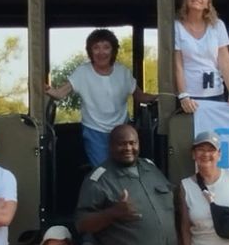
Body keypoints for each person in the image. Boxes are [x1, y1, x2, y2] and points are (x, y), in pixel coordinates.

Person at [45, 28, 157, 167]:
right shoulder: (82, 72)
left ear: (113, 50)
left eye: (106, 47)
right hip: (94, 131)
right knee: (103, 171)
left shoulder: (123, 72)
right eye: (96, 47)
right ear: (90, 51)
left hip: (121, 130)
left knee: (125, 168)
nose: (101, 52)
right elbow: (59, 94)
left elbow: (140, 96)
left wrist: (160, 97)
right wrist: (45, 89)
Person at [173, 0, 229, 113]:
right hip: (189, 99)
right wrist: (183, 95)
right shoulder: (177, 26)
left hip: (215, 95)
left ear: (208, 4)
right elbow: (178, 65)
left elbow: (225, 61)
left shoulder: (217, 25)